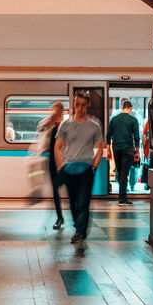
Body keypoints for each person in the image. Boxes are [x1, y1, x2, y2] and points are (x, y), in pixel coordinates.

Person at [54, 92, 104, 246]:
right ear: (73, 105)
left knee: (83, 202)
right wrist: (60, 165)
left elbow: (100, 147)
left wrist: (94, 165)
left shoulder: (94, 126)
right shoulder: (65, 125)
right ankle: (79, 226)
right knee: (73, 203)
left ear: (87, 105)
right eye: (77, 105)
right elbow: (58, 146)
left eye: (83, 105)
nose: (80, 108)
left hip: (86, 170)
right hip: (68, 169)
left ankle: (80, 232)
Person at [36, 101, 66, 228]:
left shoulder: (65, 125)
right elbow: (39, 128)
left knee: (69, 189)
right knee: (55, 189)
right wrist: (50, 121)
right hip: (52, 160)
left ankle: (74, 217)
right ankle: (59, 217)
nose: (56, 111)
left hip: (64, 160)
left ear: (62, 111)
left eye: (59, 109)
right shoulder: (49, 123)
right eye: (55, 109)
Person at [106, 98, 140, 205]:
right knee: (124, 173)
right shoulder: (133, 120)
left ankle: (122, 196)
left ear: (122, 108)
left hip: (116, 149)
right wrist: (137, 152)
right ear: (130, 108)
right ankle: (122, 198)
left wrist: (108, 151)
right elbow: (136, 137)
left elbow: (108, 136)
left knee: (120, 172)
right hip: (128, 149)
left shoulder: (114, 120)